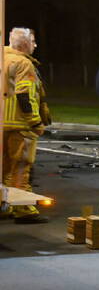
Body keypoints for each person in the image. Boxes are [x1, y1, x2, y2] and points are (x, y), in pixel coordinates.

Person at [2, 27, 50, 223]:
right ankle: (23, 209)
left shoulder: (3, 58)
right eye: (33, 41)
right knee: (21, 167)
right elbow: (24, 94)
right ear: (24, 44)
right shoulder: (23, 63)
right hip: (20, 124)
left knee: (3, 168)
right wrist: (35, 121)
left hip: (2, 122)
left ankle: (4, 204)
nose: (35, 45)